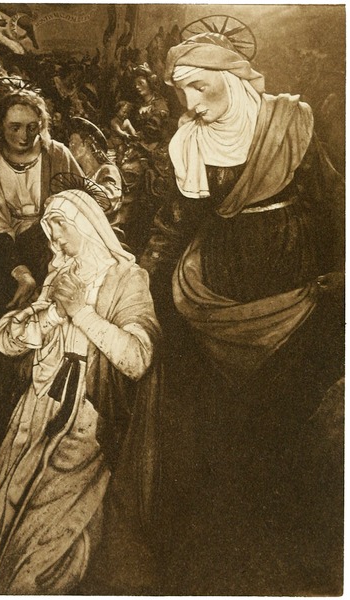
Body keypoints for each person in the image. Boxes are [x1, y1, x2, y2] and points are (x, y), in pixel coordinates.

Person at [141, 32, 344, 594]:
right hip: (220, 282)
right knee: (218, 413)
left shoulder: (291, 123)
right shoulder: (190, 140)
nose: (192, 105)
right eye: (182, 93)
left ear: (230, 79)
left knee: (286, 406)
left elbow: (334, 200)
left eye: (199, 88)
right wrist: (147, 269)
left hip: (293, 276)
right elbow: (177, 219)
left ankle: (289, 529)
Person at [0, 188, 162, 594]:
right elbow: (7, 341)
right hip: (36, 407)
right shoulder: (59, 276)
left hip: (86, 418)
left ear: (87, 225)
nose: (54, 237)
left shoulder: (127, 279)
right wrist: (53, 313)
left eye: (60, 225)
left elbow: (138, 358)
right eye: (48, 228)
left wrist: (80, 312)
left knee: (42, 540)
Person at [0, 87, 83, 312]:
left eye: (31, 127)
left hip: (56, 239)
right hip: (8, 244)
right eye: (15, 127)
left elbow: (81, 199)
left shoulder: (57, 153)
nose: (24, 136)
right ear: (1, 126)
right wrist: (22, 273)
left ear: (41, 125)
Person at [68, 116, 124, 240]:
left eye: (73, 143)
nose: (69, 148)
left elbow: (109, 200)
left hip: (105, 235)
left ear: (86, 144)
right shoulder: (80, 175)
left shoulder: (108, 170)